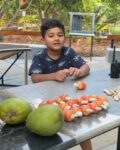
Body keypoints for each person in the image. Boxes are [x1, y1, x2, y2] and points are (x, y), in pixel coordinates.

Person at [29, 19, 92, 150]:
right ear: (43, 39)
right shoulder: (39, 57)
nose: (56, 39)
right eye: (51, 36)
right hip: (47, 102)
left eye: (60, 35)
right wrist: (54, 76)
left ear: (64, 37)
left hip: (69, 99)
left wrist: (79, 71)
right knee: (49, 134)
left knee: (82, 130)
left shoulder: (68, 52)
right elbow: (35, 78)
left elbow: (86, 66)